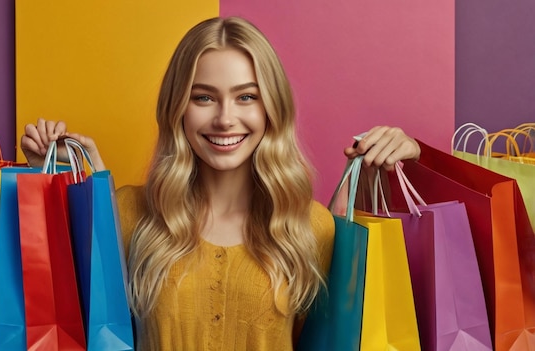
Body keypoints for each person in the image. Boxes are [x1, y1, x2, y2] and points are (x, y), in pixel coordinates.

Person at [21, 16, 421, 351]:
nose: (225, 119)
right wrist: (51, 182)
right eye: (204, 97)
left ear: (271, 108)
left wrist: (407, 156)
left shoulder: (312, 228)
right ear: (177, 107)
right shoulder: (127, 213)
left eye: (246, 97)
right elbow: (74, 319)